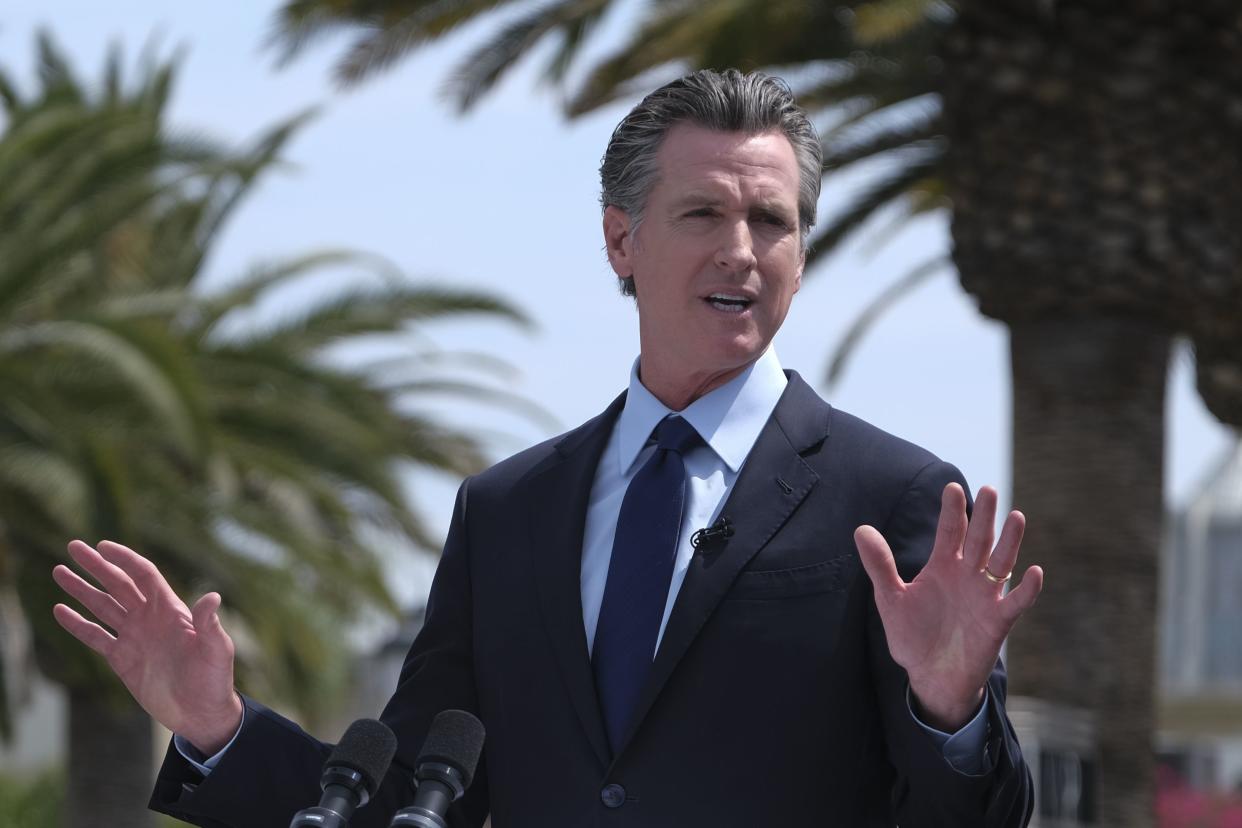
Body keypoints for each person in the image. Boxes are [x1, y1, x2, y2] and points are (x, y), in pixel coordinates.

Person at [51, 69, 1043, 827]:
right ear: (621, 241)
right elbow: (415, 794)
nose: (742, 247)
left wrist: (949, 712)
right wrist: (222, 727)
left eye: (770, 220)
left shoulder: (897, 496)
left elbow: (974, 815)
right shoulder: (509, 511)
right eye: (704, 212)